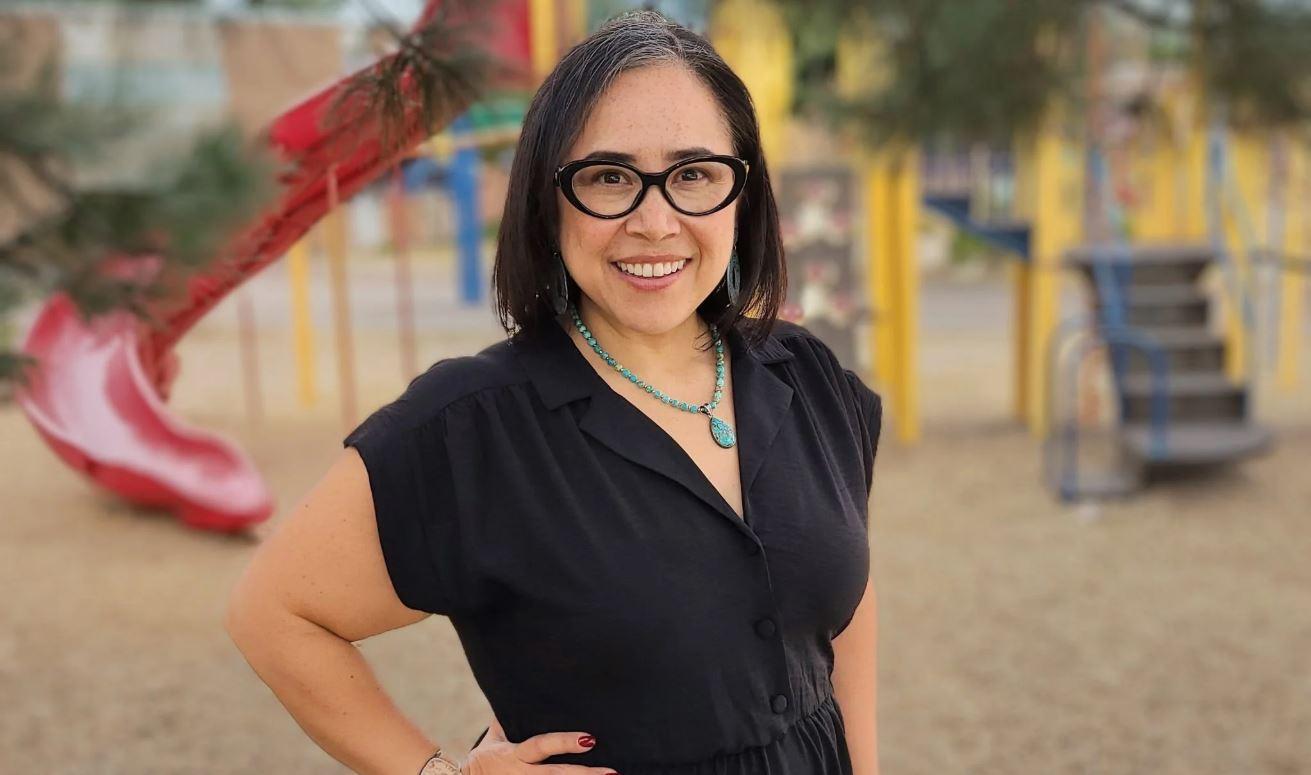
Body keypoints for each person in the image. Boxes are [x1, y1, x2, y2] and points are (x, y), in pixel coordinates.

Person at [225, 10, 883, 775]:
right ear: (548, 199)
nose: (654, 220)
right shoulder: (471, 427)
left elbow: (841, 615)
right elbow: (272, 613)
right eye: (608, 177)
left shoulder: (808, 376)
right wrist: (435, 773)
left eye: (694, 174)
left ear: (743, 191)